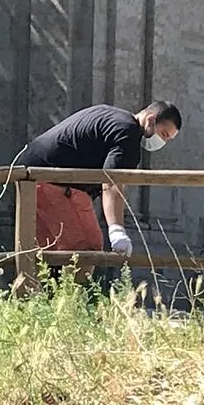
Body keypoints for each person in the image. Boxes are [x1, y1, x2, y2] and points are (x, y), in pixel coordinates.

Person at [16, 101, 182, 283]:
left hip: (29, 177)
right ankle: (74, 296)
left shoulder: (110, 115)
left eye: (168, 139)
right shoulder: (127, 133)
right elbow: (112, 182)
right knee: (88, 248)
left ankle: (32, 295)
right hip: (54, 182)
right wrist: (117, 230)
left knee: (44, 252)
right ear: (150, 119)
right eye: (163, 134)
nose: (163, 142)